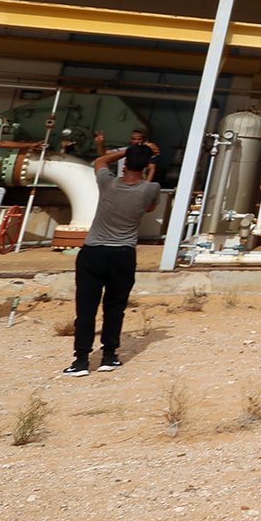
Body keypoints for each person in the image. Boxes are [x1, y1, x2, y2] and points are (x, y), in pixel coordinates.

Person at [65, 134, 163, 376]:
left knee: (86, 309)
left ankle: (81, 360)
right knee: (115, 307)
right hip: (123, 254)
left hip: (93, 252)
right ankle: (109, 356)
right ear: (146, 166)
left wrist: (129, 150)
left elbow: (100, 160)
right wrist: (147, 162)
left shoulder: (108, 183)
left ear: (126, 164)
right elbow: (149, 207)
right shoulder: (150, 189)